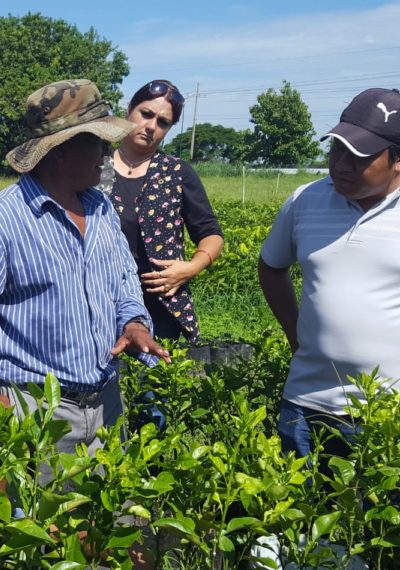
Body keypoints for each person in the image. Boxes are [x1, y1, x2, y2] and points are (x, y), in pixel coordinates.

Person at [0, 79, 171, 458]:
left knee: (111, 516)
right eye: (96, 142)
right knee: (37, 517)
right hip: (35, 409)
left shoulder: (100, 208)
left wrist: (135, 323)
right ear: (59, 150)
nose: (107, 154)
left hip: (106, 403)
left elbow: (125, 279)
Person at [258, 88, 400, 460]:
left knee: (378, 518)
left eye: (359, 156)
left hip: (385, 414)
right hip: (305, 402)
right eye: (337, 148)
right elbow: (272, 267)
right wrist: (296, 334)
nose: (341, 164)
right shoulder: (306, 199)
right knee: (301, 514)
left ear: (397, 160)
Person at [98, 80, 223, 343]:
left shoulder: (176, 172)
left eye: (163, 122)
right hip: (102, 303)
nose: (152, 126)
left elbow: (211, 233)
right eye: (146, 114)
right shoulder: (97, 166)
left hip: (163, 305)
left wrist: (191, 267)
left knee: (155, 382)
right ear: (129, 109)